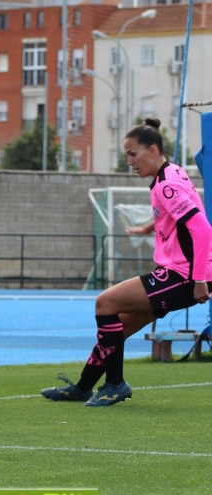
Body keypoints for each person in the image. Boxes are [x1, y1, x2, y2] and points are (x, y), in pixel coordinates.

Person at [41, 118, 212, 407]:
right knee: (117, 329)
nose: (130, 162)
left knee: (105, 304)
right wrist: (151, 226)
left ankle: (115, 384)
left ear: (153, 150)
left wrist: (199, 279)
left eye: (133, 155)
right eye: (127, 156)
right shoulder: (172, 173)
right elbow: (181, 214)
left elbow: (202, 229)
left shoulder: (166, 185)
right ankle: (83, 387)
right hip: (177, 273)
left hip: (183, 276)